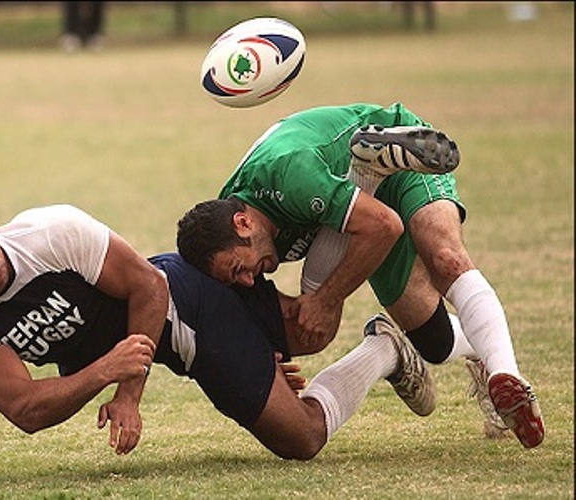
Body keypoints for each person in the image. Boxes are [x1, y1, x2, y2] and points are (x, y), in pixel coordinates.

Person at [0, 183, 435, 460]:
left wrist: (128, 392)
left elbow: (149, 286)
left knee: (301, 435)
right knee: (299, 334)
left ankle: (384, 340)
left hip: (184, 303)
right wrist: (104, 373)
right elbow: (24, 409)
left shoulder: (52, 232)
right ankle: (390, 345)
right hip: (158, 336)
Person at [176, 102, 544, 449]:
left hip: (401, 155)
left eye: (239, 269)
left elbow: (384, 226)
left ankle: (505, 378)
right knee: (434, 341)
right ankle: (367, 173)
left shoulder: (289, 175)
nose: (246, 280)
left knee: (446, 257)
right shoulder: (228, 222)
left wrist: (325, 301)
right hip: (354, 215)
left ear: (243, 223)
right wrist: (263, 352)